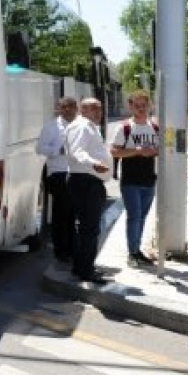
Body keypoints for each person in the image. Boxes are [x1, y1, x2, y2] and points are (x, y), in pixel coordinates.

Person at [64, 97, 112, 285]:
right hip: (85, 181)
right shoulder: (82, 126)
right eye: (94, 108)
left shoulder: (89, 126)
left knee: (86, 228)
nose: (99, 112)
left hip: (88, 181)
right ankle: (86, 270)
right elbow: (77, 151)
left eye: (99, 108)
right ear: (83, 110)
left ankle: (82, 267)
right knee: (89, 229)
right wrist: (94, 164)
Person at [109, 89, 160, 268]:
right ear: (131, 107)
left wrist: (154, 151)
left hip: (149, 179)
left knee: (142, 217)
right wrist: (137, 151)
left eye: (144, 105)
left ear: (149, 105)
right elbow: (114, 151)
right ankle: (132, 253)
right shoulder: (125, 127)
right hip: (130, 180)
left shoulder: (155, 127)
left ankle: (137, 250)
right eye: (137, 105)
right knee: (134, 216)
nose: (141, 108)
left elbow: (162, 149)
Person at [35, 96, 78, 264]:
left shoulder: (80, 125)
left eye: (71, 106)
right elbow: (39, 148)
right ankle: (61, 251)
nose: (67, 110)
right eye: (64, 107)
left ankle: (72, 249)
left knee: (72, 213)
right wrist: (57, 151)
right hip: (58, 174)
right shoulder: (51, 127)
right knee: (62, 214)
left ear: (76, 109)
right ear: (59, 109)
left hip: (76, 173)